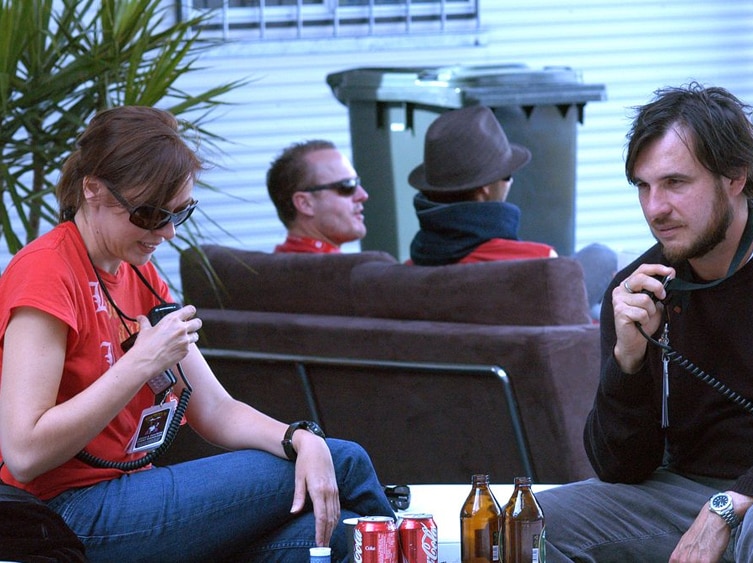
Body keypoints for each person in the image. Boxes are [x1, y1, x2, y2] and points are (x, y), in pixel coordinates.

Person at [0, 106, 394, 561]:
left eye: (179, 214)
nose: (166, 233)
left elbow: (216, 409)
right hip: (63, 514)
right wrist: (141, 364)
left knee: (330, 534)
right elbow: (24, 452)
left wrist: (300, 436)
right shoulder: (46, 270)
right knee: (344, 461)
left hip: (131, 491)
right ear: (92, 189)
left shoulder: (139, 276)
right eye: (150, 215)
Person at [536, 83, 753, 562]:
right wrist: (628, 361)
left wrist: (730, 505)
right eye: (643, 186)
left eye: (676, 183)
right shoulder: (640, 288)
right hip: (689, 493)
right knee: (531, 521)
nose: (655, 208)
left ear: (735, 177)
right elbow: (619, 467)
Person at [406, 105, 558, 265]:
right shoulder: (541, 262)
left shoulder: (405, 274)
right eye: (506, 175)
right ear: (484, 190)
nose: (511, 182)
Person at [267, 139, 368, 254]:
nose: (363, 195)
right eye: (347, 186)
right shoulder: (333, 270)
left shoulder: (279, 264)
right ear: (305, 204)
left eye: (357, 182)